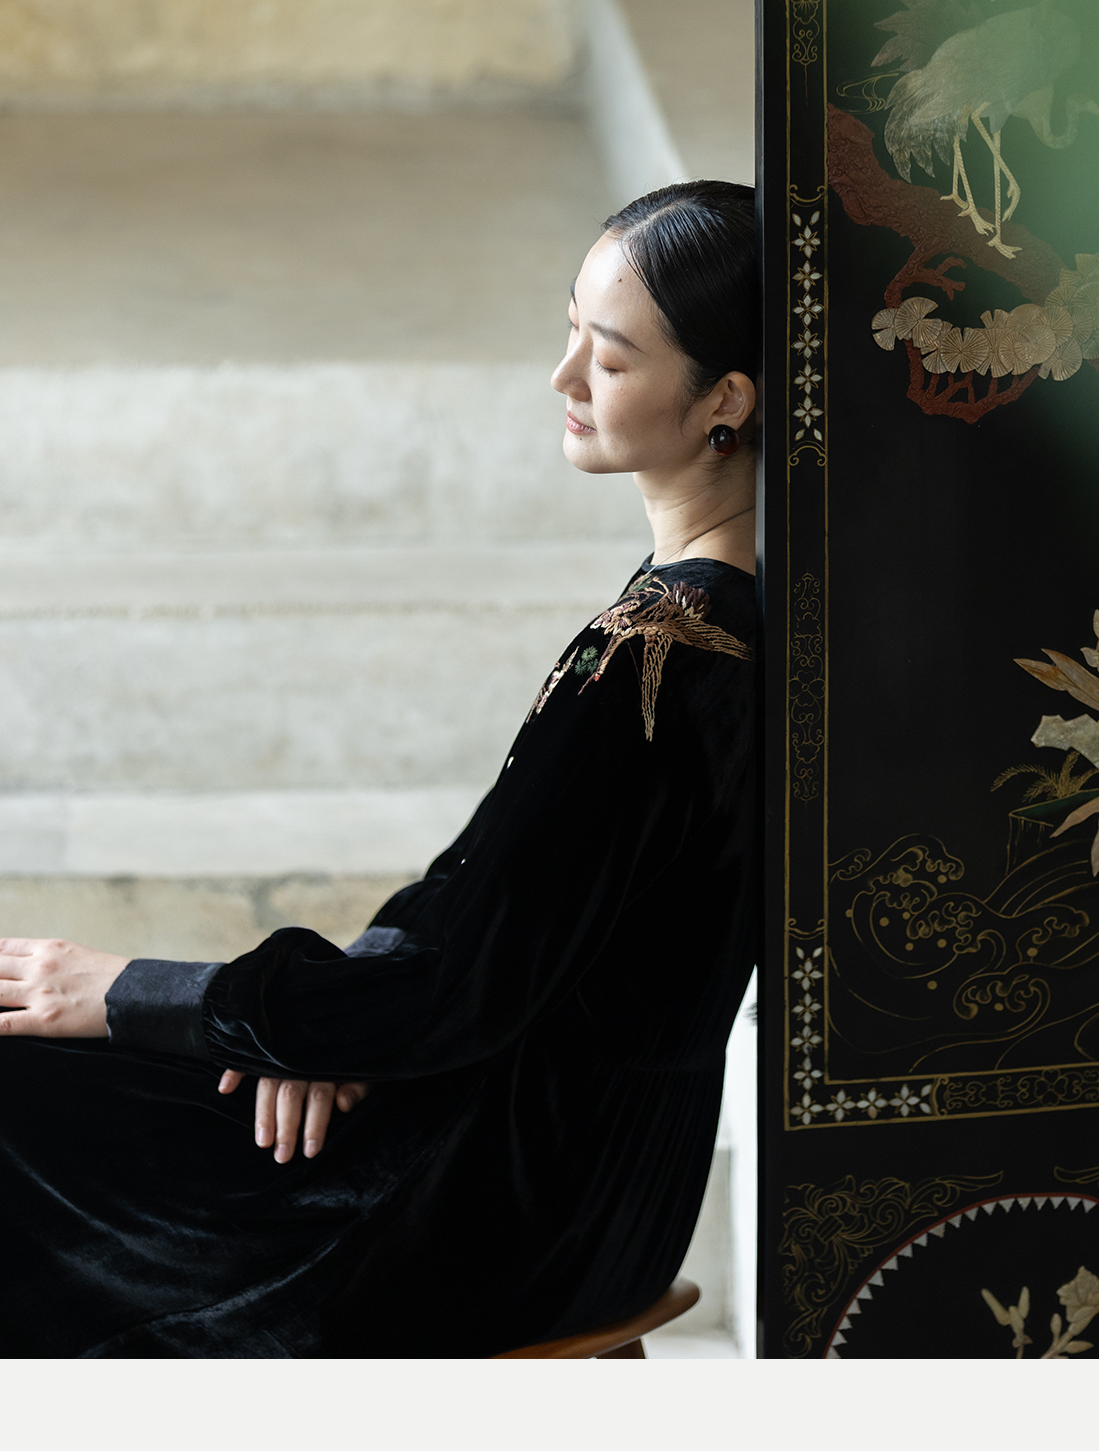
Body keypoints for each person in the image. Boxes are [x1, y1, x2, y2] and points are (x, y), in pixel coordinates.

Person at [0, 180, 758, 1358]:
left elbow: (452, 987)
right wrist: (320, 1031)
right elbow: (483, 910)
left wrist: (129, 989)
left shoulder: (656, 662)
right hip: (604, 1187)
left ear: (726, 399)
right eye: (569, 331)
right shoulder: (738, 622)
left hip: (479, 1211)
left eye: (608, 359)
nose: (562, 377)